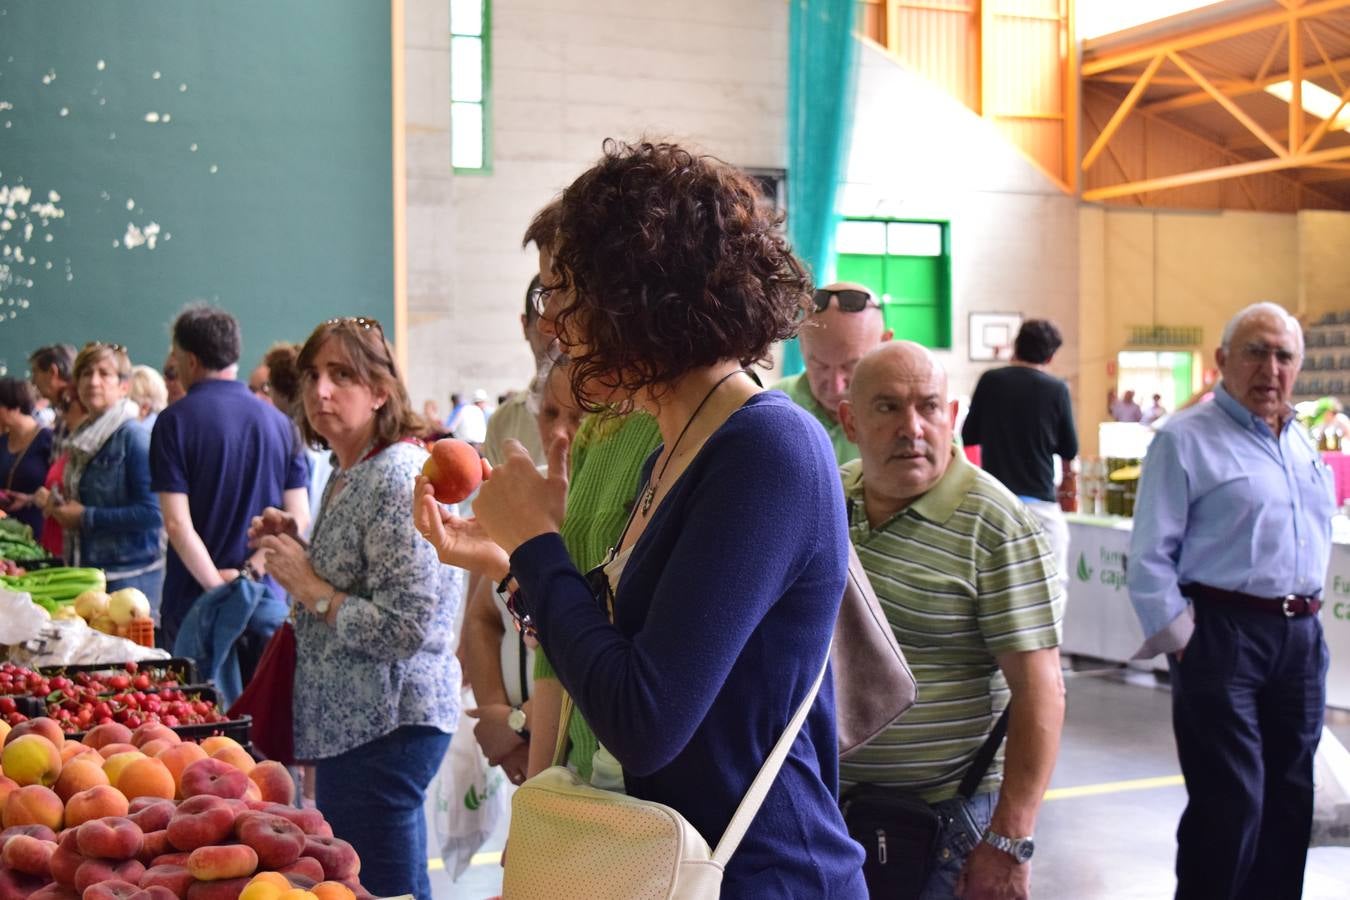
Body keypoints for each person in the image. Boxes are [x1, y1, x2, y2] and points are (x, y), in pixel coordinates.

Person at [416, 140, 866, 897]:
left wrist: (535, 543)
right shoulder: (675, 443)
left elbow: (645, 717)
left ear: (638, 298)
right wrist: (507, 562)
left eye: (564, 291)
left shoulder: (767, 449)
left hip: (758, 873)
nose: (555, 321)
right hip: (662, 860)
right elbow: (620, 647)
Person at [838, 342, 1065, 900]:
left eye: (929, 407)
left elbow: (1041, 693)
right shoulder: (827, 497)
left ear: (953, 416)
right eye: (888, 407)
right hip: (830, 813)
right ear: (849, 419)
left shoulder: (999, 529)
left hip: (945, 829)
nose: (912, 428)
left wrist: (1010, 842)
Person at [1127, 302, 1333, 900]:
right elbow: (1148, 555)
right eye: (1255, 351)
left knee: (1291, 797)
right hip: (1222, 634)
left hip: (1299, 637)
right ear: (1222, 361)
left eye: (1284, 355)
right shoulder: (1184, 439)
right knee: (1232, 800)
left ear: (1298, 366)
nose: (1271, 367)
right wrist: (1186, 641)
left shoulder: (1300, 441)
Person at [250, 317, 460, 900]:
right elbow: (363, 571)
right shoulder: (352, 469)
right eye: (312, 375)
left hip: (385, 725)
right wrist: (302, 540)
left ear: (380, 390)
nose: (319, 390)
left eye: (342, 375)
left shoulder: (394, 477)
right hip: (360, 724)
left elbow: (405, 626)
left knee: (380, 888)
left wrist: (310, 586)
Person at [150, 304, 310, 649]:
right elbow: (299, 517)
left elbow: (177, 525)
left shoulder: (173, 422)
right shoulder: (282, 425)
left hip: (194, 602)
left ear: (190, 360)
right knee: (259, 699)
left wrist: (219, 589)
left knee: (193, 702)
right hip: (263, 599)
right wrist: (248, 574)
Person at [459, 352, 584, 784]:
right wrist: (496, 715)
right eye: (551, 413)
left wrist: (518, 724)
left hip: (574, 758)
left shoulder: (618, 502)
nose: (562, 432)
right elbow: (482, 616)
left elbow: (579, 644)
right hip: (526, 756)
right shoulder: (524, 491)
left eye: (581, 416)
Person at [37, 344, 164, 611]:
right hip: (91, 575)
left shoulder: (134, 438)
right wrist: (59, 504)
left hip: (128, 583)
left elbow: (153, 513)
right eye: (85, 373)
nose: (93, 381)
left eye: (104, 374)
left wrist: (84, 517)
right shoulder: (83, 436)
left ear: (124, 386)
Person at [961, 318, 1077, 585]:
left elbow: (969, 435)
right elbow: (1069, 448)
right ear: (1050, 356)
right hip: (1040, 507)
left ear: (1016, 345)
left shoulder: (990, 381)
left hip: (994, 504)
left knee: (994, 586)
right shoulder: (1057, 389)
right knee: (1051, 587)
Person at [772, 282, 892, 465]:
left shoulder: (911, 414)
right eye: (819, 365)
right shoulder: (777, 406)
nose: (835, 387)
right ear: (801, 345)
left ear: (885, 345)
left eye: (852, 366)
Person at [481, 272, 559, 467]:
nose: (559, 335)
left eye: (566, 319)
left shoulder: (605, 415)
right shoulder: (502, 421)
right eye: (545, 321)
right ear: (525, 326)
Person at [262, 342, 332, 539]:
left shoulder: (292, 441)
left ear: (280, 393)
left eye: (268, 388)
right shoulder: (325, 438)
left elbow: (302, 513)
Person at [0, 378, 54, 537]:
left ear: (13, 408)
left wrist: (31, 499)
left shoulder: (48, 440)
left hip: (38, 530)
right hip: (6, 533)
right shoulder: (2, 441)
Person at [28, 344, 82, 451]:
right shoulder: (62, 410)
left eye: (35, 372)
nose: (33, 381)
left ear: (53, 372)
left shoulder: (79, 409)